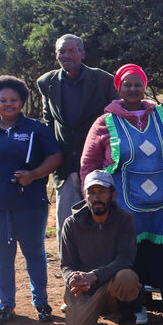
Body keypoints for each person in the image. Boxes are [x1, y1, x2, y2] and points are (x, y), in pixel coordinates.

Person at [81, 64, 163, 325]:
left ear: (144, 87)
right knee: (131, 254)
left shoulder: (162, 117)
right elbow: (89, 163)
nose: (133, 89)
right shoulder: (104, 122)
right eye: (127, 84)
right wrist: (93, 197)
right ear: (119, 88)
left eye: (137, 84)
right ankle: (136, 306)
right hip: (125, 204)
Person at [0, 76, 63, 325]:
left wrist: (34, 175)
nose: (8, 104)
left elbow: (55, 157)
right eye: (3, 100)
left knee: (35, 253)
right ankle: (6, 304)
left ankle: (41, 303)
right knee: (2, 256)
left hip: (31, 203)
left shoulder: (35, 128)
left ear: (22, 101)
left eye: (14, 100)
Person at [36, 34, 116, 232]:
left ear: (82, 53)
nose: (67, 55)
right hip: (65, 166)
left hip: (97, 165)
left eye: (72, 51)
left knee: (100, 224)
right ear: (56, 55)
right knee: (68, 226)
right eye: (62, 51)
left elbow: (114, 121)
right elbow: (49, 122)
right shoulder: (47, 82)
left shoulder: (104, 80)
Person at [59, 170, 140, 325]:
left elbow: (126, 259)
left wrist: (94, 276)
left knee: (127, 277)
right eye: (91, 193)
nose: (96, 198)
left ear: (113, 194)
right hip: (84, 290)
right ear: (85, 195)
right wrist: (72, 278)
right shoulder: (71, 224)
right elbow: (66, 265)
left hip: (112, 285)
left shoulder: (125, 219)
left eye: (102, 192)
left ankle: (127, 321)